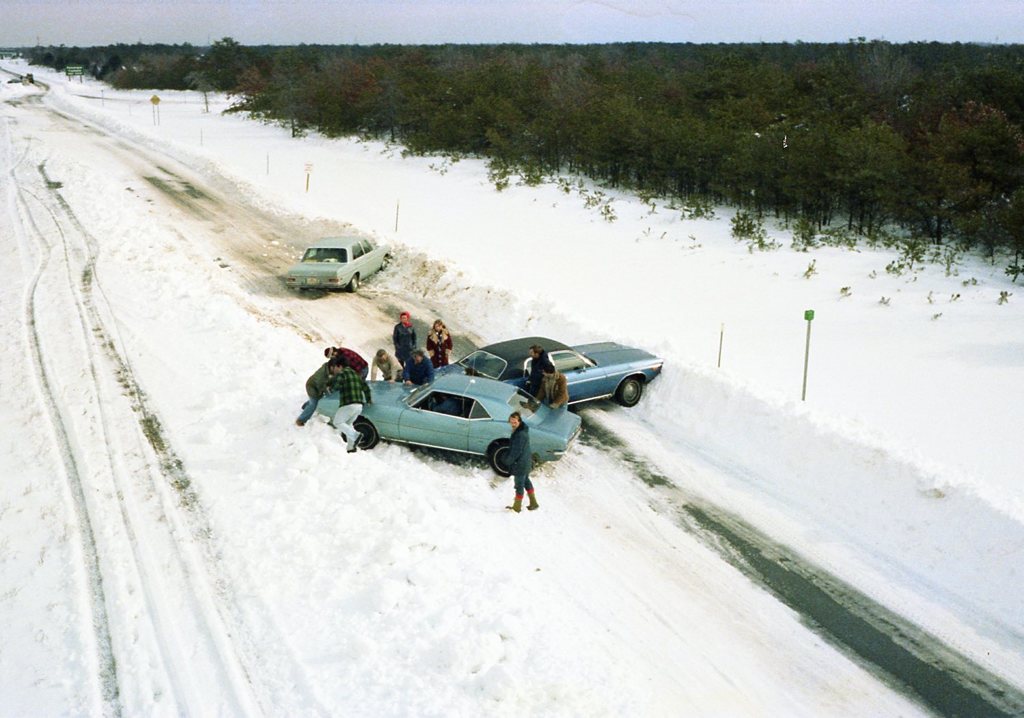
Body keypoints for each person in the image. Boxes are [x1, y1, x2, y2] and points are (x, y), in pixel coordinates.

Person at [331, 361, 373, 453]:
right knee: (349, 424)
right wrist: (368, 399)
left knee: (337, 422)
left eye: (335, 368)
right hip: (359, 405)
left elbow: (336, 387)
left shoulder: (342, 374)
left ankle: (355, 435)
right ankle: (351, 447)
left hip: (349, 403)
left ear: (340, 366)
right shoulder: (356, 375)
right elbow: (366, 388)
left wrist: (329, 387)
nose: (335, 370)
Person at [296, 355, 345, 427]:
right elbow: (321, 385)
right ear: (332, 367)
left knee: (316, 399)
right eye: (339, 368)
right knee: (314, 404)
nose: (340, 370)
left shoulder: (332, 371)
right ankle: (301, 420)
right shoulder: (321, 374)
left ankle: (305, 406)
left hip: (319, 387)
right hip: (312, 387)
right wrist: (327, 391)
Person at [505, 412, 539, 512]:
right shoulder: (522, 430)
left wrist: (507, 460)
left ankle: (517, 507)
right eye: (511, 422)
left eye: (514, 422)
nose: (512, 424)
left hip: (520, 464)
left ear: (519, 421)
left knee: (519, 485)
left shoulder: (520, 435)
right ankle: (533, 503)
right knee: (526, 482)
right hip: (526, 461)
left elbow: (516, 451)